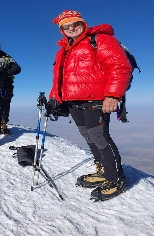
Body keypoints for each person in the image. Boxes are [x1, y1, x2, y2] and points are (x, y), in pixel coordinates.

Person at [44, 10, 132, 202]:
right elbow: (59, 79)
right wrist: (54, 99)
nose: (71, 28)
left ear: (83, 23)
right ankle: (103, 170)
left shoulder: (99, 39)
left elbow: (119, 66)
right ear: (62, 30)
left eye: (74, 24)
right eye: (65, 26)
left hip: (96, 99)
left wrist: (112, 95)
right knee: (88, 136)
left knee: (100, 137)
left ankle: (115, 179)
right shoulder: (64, 50)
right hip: (74, 102)